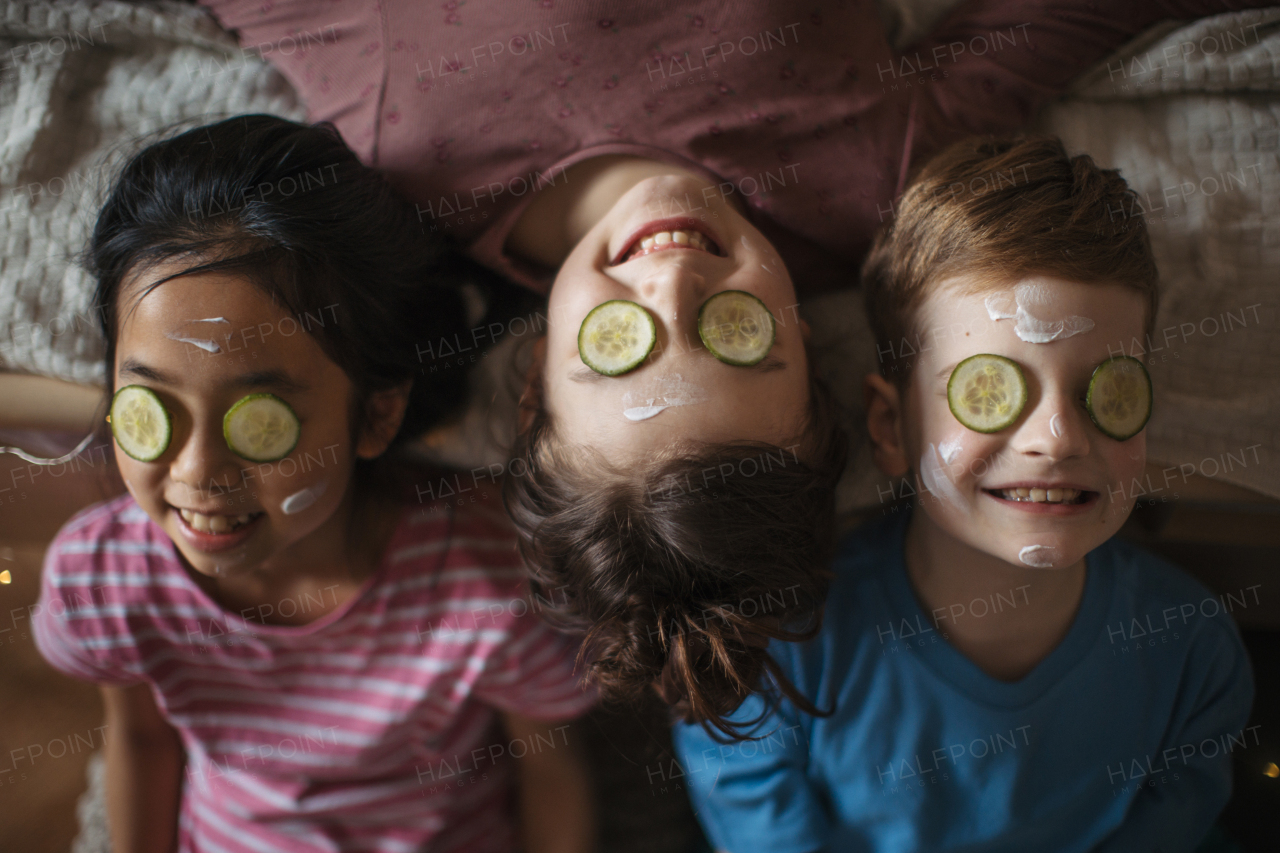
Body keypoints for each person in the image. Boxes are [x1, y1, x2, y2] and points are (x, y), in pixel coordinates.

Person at [197, 0, 1272, 734]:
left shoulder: (408, 140)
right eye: (735, 338)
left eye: (614, 356)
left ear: (531, 382)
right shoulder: (878, 179)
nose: (671, 287)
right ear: (812, 348)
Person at [669, 136, 1256, 852]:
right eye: (989, 390)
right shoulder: (784, 651)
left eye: (1109, 389)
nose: (1058, 436)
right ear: (891, 425)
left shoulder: (1193, 648)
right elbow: (748, 799)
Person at [32, 115, 597, 853]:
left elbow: (549, 772)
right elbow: (141, 743)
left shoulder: (485, 576)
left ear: (376, 413)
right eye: (150, 409)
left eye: (260, 423)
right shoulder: (106, 578)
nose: (198, 473)